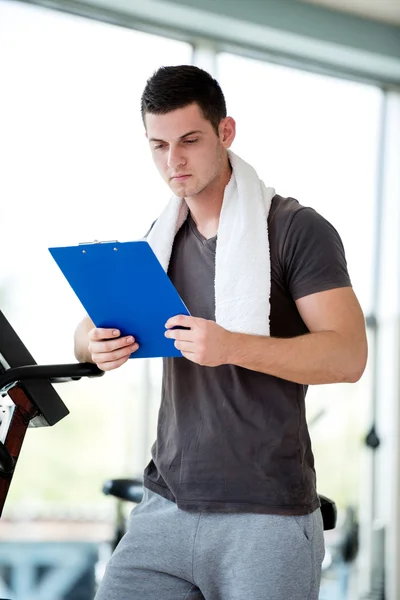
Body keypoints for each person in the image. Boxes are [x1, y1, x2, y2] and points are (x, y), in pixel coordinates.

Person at [74, 65, 368, 600]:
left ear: (225, 133)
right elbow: (90, 326)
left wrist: (232, 346)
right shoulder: (160, 239)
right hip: (163, 508)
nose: (173, 161)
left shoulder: (296, 230)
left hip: (266, 515)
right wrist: (91, 342)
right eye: (158, 145)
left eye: (189, 140)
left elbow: (348, 356)